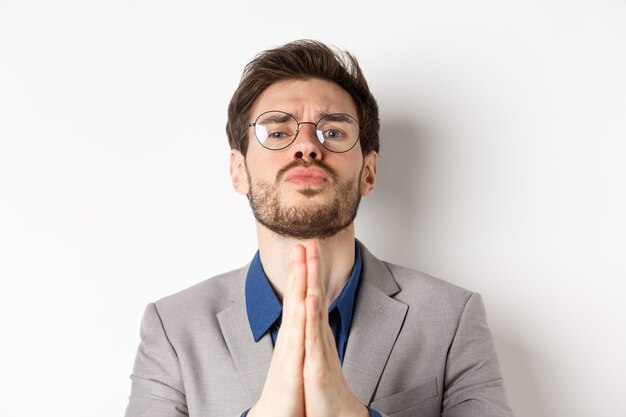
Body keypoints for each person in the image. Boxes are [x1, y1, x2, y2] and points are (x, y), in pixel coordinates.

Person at [124, 40, 514, 417]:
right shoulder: (173, 329)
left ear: (369, 172)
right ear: (238, 171)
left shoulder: (451, 316)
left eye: (333, 131)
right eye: (277, 132)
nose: (307, 146)